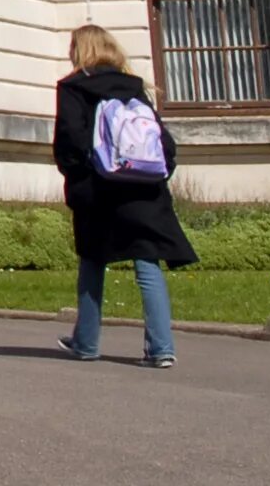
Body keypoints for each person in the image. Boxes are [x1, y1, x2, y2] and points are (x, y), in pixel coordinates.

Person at [52, 24, 190, 367]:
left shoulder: (74, 87)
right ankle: (161, 348)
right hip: (144, 189)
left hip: (98, 188)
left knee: (93, 260)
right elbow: (163, 141)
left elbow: (70, 139)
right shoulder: (135, 88)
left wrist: (77, 176)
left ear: (79, 51)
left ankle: (86, 342)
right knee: (148, 263)